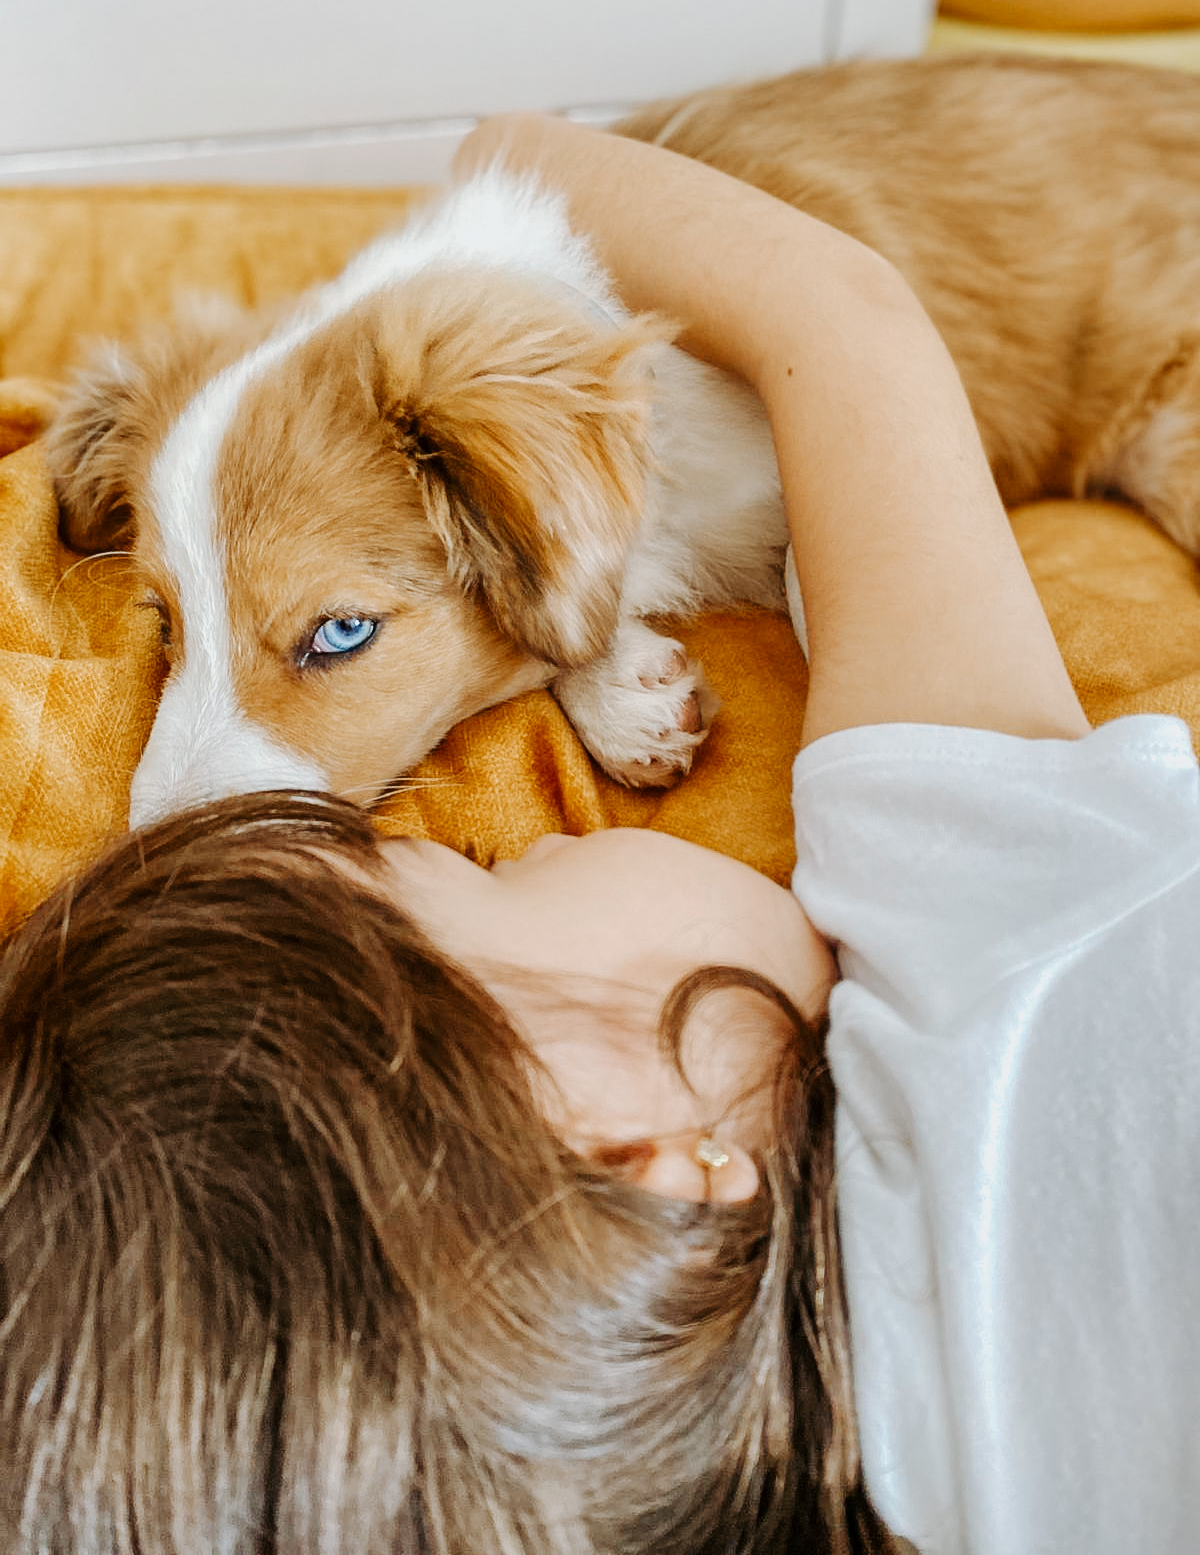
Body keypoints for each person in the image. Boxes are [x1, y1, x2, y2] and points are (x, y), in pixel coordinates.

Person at [1, 117, 1197, 1555]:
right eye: (482, 867)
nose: (510, 836)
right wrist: (495, 157)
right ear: (627, 1146)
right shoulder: (1003, 997)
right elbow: (840, 323)